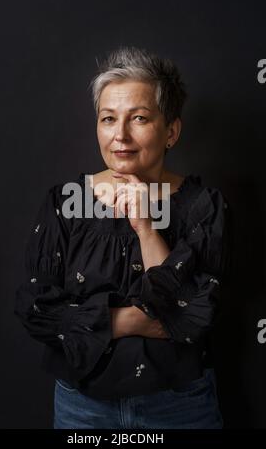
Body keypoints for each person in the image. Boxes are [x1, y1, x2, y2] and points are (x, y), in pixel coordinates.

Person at [14, 46, 232, 429]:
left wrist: (146, 226)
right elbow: (37, 310)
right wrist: (130, 320)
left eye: (140, 118)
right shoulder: (66, 202)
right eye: (108, 118)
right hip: (83, 407)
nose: (120, 136)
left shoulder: (202, 206)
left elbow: (193, 317)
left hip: (181, 406)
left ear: (171, 131)